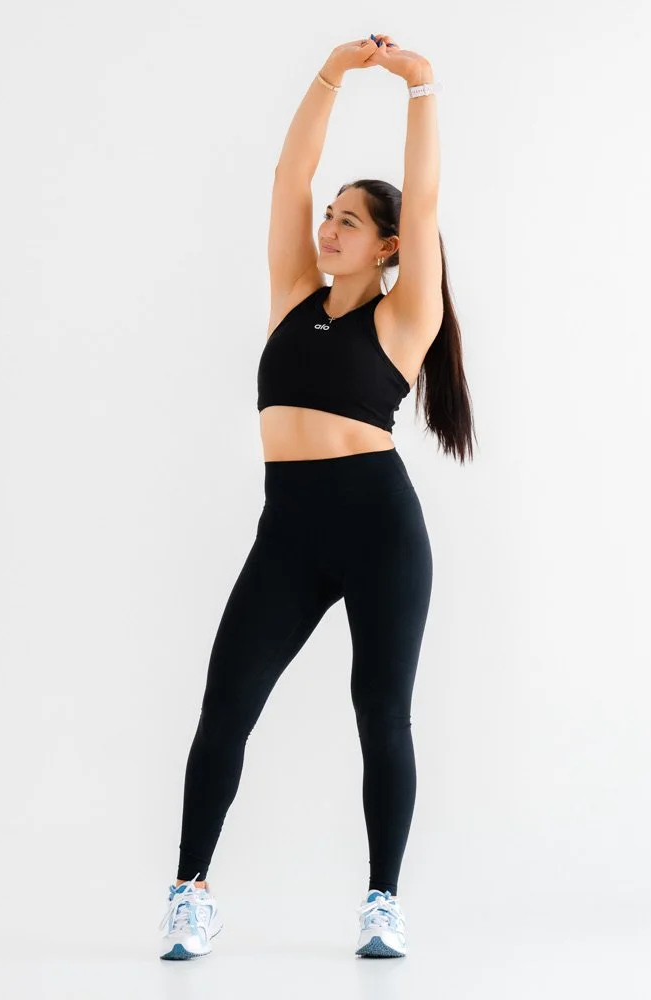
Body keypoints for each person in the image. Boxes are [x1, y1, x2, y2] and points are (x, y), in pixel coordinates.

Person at [158, 31, 476, 962]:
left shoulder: (405, 315)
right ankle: (189, 893)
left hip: (379, 528)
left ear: (386, 247)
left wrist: (420, 88)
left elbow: (425, 203)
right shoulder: (293, 290)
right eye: (329, 213)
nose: (328, 225)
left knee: (381, 712)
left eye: (349, 219)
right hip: (288, 532)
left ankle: (383, 899)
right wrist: (333, 72)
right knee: (226, 708)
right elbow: (286, 178)